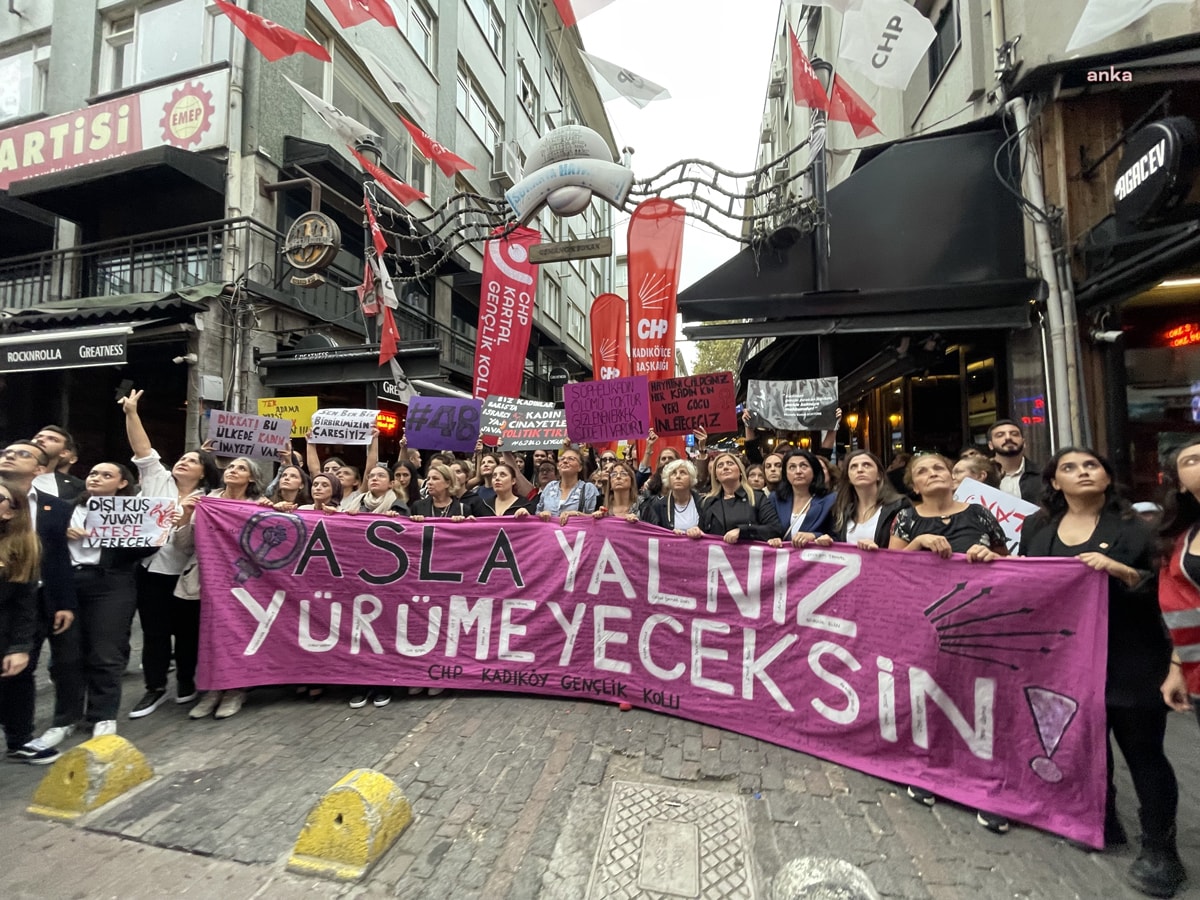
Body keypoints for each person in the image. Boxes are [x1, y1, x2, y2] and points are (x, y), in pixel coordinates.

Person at [1022, 448, 1184, 897]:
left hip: (1132, 657)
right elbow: (1025, 582)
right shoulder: (1037, 528)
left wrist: (1122, 573)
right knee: (1087, 743)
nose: (1082, 473)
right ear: (1054, 483)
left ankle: (1161, 850)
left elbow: (1166, 589)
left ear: (1108, 477)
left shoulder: (1139, 528)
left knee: (1143, 752)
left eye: (1090, 465)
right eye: (1069, 468)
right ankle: (1102, 819)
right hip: (1066, 659)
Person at [888, 452, 1009, 832]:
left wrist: (988, 554)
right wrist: (918, 542)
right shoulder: (906, 518)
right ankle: (930, 769)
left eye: (939, 467)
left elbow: (1010, 562)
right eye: (923, 471)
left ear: (953, 477)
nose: (933, 473)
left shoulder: (979, 515)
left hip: (978, 623)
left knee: (982, 701)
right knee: (931, 695)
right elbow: (891, 571)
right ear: (914, 485)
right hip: (925, 623)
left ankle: (987, 784)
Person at [120, 390, 220, 720]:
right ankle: (155, 687)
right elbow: (143, 451)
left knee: (188, 634)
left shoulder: (211, 500)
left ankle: (187, 681)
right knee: (154, 632)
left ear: (203, 472)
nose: (183, 461)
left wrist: (189, 517)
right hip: (150, 572)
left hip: (187, 576)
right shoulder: (157, 480)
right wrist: (132, 412)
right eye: (182, 458)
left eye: (192, 460)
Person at [38, 463, 146, 746]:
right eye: (94, 473)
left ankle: (103, 715)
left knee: (105, 652)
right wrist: (60, 534)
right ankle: (64, 719)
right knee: (66, 654)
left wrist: (159, 526)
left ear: (122, 484)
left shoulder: (131, 511)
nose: (96, 478)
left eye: (106, 475)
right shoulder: (62, 509)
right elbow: (40, 543)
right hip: (67, 584)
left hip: (111, 584)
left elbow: (143, 549)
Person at [0, 442, 77, 764]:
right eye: (6, 451)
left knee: (19, 672)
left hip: (19, 609)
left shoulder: (50, 512)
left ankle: (19, 740)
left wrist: (64, 602)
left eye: (22, 454)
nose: (9, 456)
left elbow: (54, 563)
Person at [1158, 437, 1200, 727]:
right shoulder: (1182, 542)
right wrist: (1177, 668)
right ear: (1181, 484)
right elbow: (1185, 611)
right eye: (1191, 460)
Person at [0, 478, 41, 761]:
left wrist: (20, 648)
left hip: (4, 634)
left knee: (15, 685)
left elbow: (25, 605)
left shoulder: (20, 549)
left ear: (10, 512)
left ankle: (20, 740)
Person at [688, 452, 782, 544]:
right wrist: (695, 531)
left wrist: (743, 531)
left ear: (740, 471)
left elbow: (775, 529)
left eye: (730, 463)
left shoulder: (757, 497)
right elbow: (702, 532)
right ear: (716, 476)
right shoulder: (708, 502)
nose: (725, 467)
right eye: (720, 465)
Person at [828, 450, 907, 550]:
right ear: (848, 477)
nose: (860, 470)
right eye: (854, 467)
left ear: (879, 475)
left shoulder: (899, 506)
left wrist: (878, 551)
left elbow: (904, 554)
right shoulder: (841, 509)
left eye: (867, 465)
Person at [768, 449, 834, 549]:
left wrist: (814, 536)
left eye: (804, 466)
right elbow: (768, 529)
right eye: (792, 467)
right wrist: (773, 538)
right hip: (783, 560)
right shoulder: (775, 498)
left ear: (814, 470)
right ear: (785, 473)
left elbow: (838, 536)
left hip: (813, 560)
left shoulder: (830, 500)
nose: (798, 471)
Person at [523, 447, 599, 524]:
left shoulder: (588, 488)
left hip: (576, 534)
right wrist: (542, 514)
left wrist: (577, 514)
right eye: (562, 459)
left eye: (571, 459)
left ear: (580, 467)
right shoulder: (550, 487)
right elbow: (538, 512)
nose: (565, 461)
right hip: (550, 534)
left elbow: (594, 519)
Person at [642, 459, 704, 534]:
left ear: (691, 478)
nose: (678, 476)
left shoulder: (703, 503)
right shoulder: (658, 505)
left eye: (683, 473)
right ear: (668, 479)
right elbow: (651, 533)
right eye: (673, 473)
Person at [988, 419, 1040, 502]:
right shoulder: (980, 475)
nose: (1008, 438)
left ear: (1024, 442)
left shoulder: (1043, 475)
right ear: (991, 445)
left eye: (1014, 434)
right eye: (1000, 435)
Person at [32, 426, 85, 500]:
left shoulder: (76, 488)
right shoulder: (10, 474)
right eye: (37, 437)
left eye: (52, 439)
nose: (40, 440)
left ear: (64, 453)